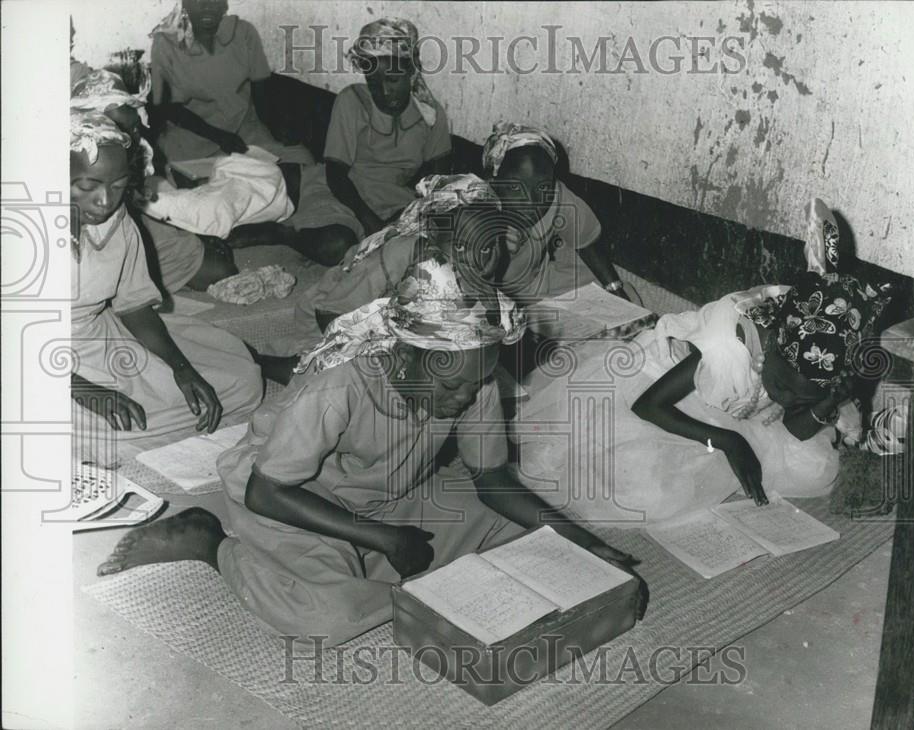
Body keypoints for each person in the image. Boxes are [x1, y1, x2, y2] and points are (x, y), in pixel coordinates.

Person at [97, 258, 645, 646]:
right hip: (294, 501)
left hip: (388, 492)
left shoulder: (471, 375)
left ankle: (378, 565)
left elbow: (492, 479)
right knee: (327, 617)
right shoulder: (341, 383)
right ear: (407, 354)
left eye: (474, 384)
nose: (464, 399)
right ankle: (211, 542)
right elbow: (269, 489)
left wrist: (581, 540)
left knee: (526, 529)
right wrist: (382, 537)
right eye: (452, 386)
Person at [511, 199, 894, 526]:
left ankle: (715, 452)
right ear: (776, 343)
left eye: (803, 394)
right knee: (640, 492)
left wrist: (826, 404)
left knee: (816, 470)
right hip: (656, 387)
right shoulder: (725, 344)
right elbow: (648, 405)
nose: (789, 396)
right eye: (789, 386)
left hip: (735, 409)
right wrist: (728, 441)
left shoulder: (804, 364)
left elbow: (792, 425)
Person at [69, 111, 263, 465]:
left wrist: (181, 368)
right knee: (106, 435)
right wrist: (86, 391)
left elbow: (133, 306)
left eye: (118, 186)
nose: (104, 201)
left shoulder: (119, 221)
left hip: (100, 338)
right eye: (87, 187)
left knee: (243, 381)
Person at [148, 0, 346, 264]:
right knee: (210, 182)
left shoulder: (244, 34)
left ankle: (242, 222)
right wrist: (217, 135)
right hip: (192, 135)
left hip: (245, 126)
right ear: (185, 5)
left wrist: (275, 126)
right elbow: (165, 105)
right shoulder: (166, 42)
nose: (206, 8)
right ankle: (215, 218)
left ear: (224, 5)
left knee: (297, 164)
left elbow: (261, 85)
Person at [258, 174, 504, 373]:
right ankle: (264, 364)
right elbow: (331, 314)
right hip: (340, 315)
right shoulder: (401, 253)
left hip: (407, 327)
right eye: (461, 246)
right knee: (336, 374)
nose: (477, 260)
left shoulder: (482, 264)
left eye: (489, 246)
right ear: (431, 232)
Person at [71, 65, 237, 293]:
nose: (130, 139)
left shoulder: (134, 148)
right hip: (95, 232)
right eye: (117, 128)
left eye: (133, 128)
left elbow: (131, 202)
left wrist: (188, 233)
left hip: (128, 219)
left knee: (219, 269)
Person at [319, 18, 453, 263]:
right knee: (335, 246)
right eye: (373, 82)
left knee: (418, 247)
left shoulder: (431, 115)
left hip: (393, 199)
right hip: (345, 193)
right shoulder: (352, 101)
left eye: (393, 80)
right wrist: (368, 219)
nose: (384, 91)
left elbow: (438, 181)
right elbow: (335, 173)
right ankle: (282, 233)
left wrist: (421, 219)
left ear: (411, 72)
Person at [482, 121, 636, 304]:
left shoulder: (556, 195)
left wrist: (614, 288)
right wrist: (494, 244)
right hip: (486, 292)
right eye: (515, 187)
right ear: (492, 181)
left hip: (532, 284)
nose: (531, 201)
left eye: (543, 186)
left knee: (614, 294)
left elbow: (585, 242)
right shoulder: (475, 207)